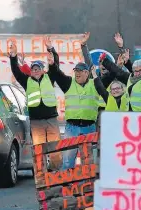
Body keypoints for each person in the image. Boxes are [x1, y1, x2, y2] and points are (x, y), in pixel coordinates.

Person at [46, 34, 108, 170]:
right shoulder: (68, 83)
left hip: (89, 128)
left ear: (87, 73)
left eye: (80, 71)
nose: (77, 73)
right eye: (75, 71)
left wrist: (84, 46)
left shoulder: (95, 84)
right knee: (68, 161)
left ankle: (86, 188)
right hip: (71, 128)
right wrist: (52, 57)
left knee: (87, 162)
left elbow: (92, 64)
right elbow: (56, 72)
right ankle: (67, 188)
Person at [8, 37, 62, 170]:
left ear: (44, 70)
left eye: (38, 68)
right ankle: (41, 175)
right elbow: (16, 70)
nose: (35, 70)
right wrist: (13, 56)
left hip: (51, 120)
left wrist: (51, 49)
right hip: (36, 122)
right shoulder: (27, 81)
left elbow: (55, 64)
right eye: (33, 69)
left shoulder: (50, 77)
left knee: (55, 150)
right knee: (39, 151)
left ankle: (54, 172)